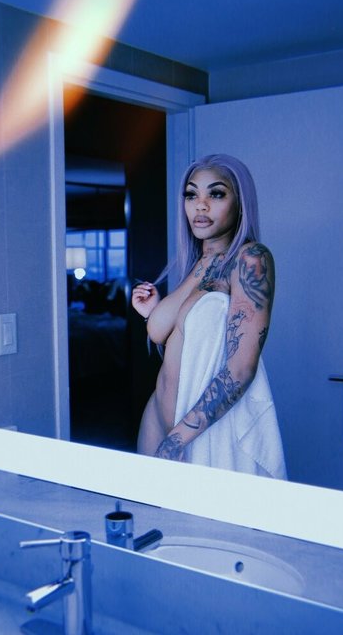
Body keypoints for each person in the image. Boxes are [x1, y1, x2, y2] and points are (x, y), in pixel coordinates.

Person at [132, 154, 287, 479]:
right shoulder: (199, 263)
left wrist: (177, 439)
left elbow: (241, 369)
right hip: (157, 419)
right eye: (191, 195)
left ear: (240, 203)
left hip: (199, 432)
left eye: (216, 193)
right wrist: (153, 312)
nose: (200, 205)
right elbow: (169, 337)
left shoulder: (250, 259)